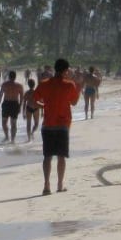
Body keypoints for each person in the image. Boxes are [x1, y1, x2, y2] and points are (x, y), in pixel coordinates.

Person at [33, 58, 81, 195]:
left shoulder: (44, 84)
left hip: (48, 124)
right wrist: (76, 85)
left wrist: (44, 106)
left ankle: (46, 185)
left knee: (47, 156)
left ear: (55, 69)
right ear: (66, 70)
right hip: (63, 124)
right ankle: (59, 184)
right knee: (61, 156)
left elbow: (33, 100)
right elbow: (74, 102)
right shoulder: (69, 85)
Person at [0, 70, 25, 143]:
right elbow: (22, 98)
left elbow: (0, 95)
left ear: (9, 76)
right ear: (15, 77)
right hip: (15, 104)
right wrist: (20, 107)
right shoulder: (19, 86)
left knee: (4, 122)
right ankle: (12, 139)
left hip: (7, 104)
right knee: (13, 123)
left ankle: (7, 137)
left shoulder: (5, 84)